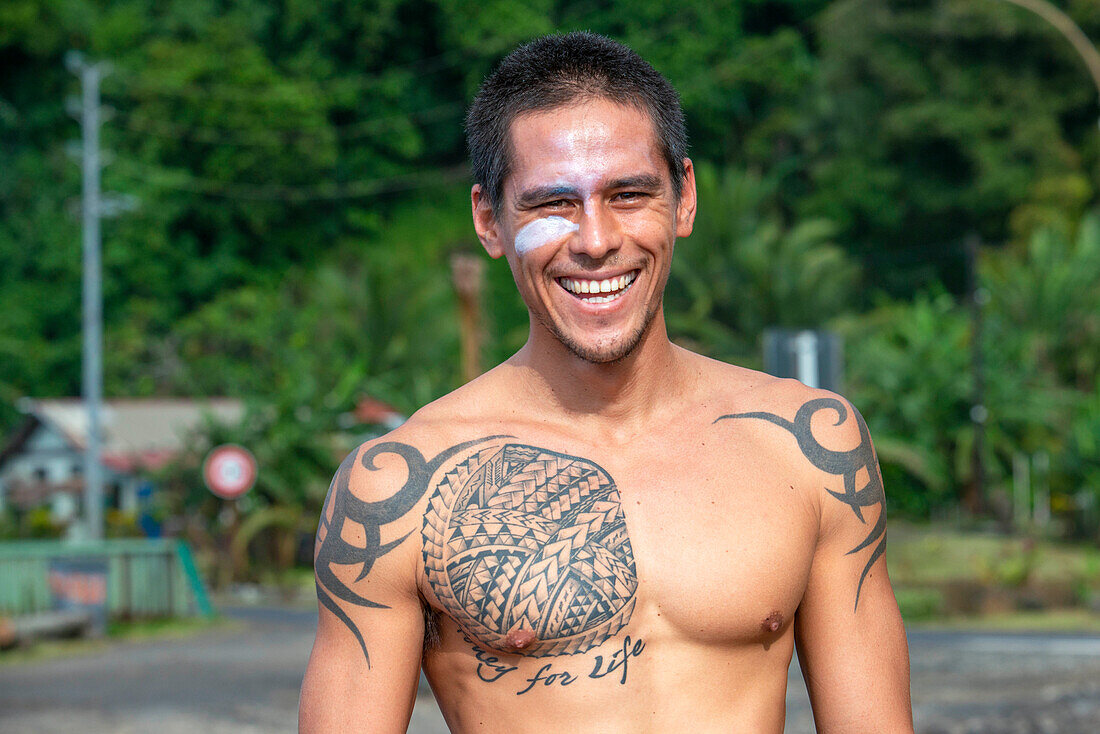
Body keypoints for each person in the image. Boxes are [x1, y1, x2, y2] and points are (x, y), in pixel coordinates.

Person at [299, 31, 913, 733]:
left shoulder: (807, 450)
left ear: (684, 200)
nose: (595, 240)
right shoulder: (397, 488)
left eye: (627, 194)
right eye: (551, 204)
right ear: (488, 221)